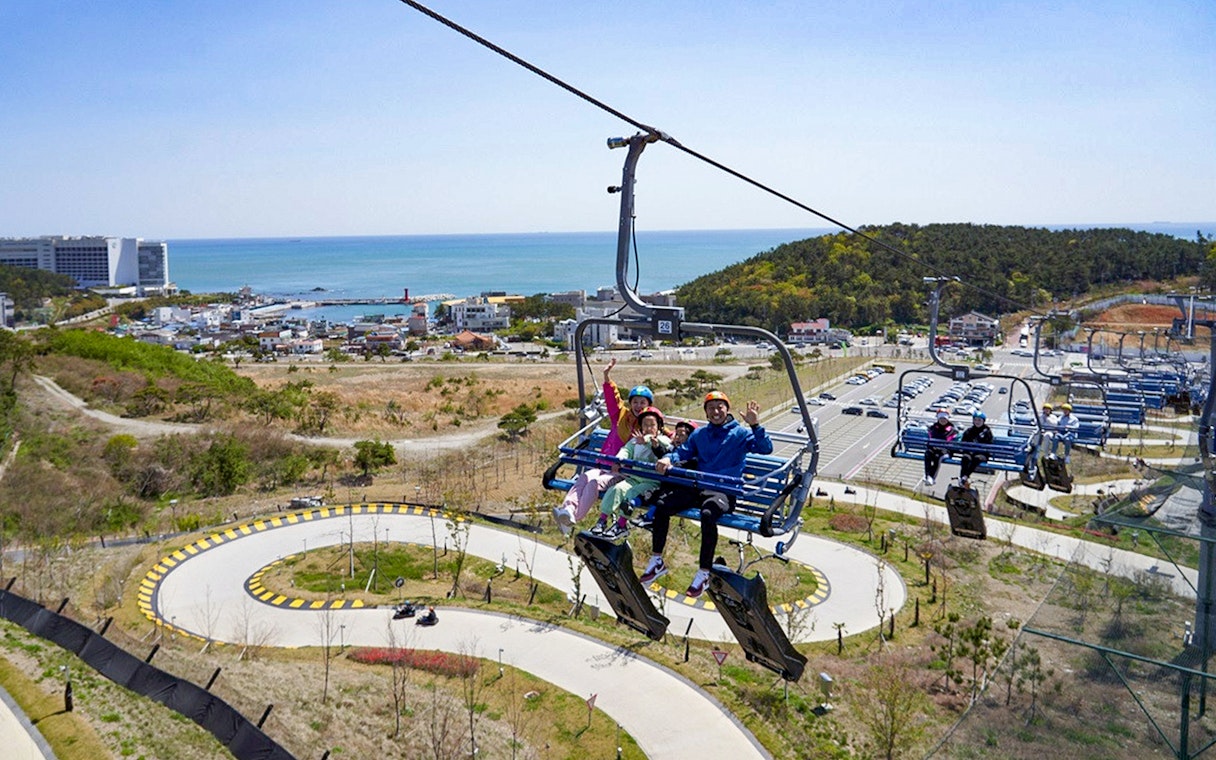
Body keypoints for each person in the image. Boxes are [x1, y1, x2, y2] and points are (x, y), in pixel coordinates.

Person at [638, 391, 773, 599]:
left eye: (720, 407)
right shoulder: (700, 435)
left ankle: (704, 571)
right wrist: (667, 459)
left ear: (727, 409)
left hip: (724, 491)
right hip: (699, 487)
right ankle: (657, 560)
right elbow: (682, 452)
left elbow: (766, 449)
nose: (716, 412)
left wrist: (755, 426)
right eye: (711, 408)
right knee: (663, 504)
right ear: (706, 412)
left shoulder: (740, 434)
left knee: (708, 514)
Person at [552, 359, 655, 535]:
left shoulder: (649, 424)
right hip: (605, 465)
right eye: (635, 402)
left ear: (648, 405)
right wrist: (607, 377)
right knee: (584, 477)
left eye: (642, 403)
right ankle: (568, 510)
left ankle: (574, 518)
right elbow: (612, 400)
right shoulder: (621, 416)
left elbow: (664, 437)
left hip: (624, 472)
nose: (638, 406)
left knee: (595, 483)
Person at [592, 407, 672, 539]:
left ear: (659, 427)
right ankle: (602, 520)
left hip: (651, 482)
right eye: (645, 425)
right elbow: (626, 450)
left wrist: (647, 441)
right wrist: (618, 461)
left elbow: (662, 447)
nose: (648, 428)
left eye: (652, 425)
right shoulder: (635, 441)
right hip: (634, 478)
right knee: (616, 489)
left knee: (631, 494)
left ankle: (621, 524)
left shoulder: (663, 441)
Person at [632, 419, 695, 529]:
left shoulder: (692, 455)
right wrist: (656, 447)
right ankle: (631, 504)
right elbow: (664, 455)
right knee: (650, 493)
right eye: (677, 434)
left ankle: (649, 517)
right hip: (667, 485)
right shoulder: (673, 450)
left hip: (680, 488)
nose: (677, 438)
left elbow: (684, 464)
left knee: (661, 498)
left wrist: (673, 466)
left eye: (682, 435)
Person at [958, 411, 993, 487]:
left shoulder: (987, 431)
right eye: (975, 420)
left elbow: (989, 444)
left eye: (979, 420)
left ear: (983, 421)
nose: (977, 422)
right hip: (970, 452)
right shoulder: (969, 431)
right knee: (965, 458)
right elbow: (963, 442)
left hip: (981, 453)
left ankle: (965, 476)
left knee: (977, 459)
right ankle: (962, 477)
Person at [922, 410, 957, 486]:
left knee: (938, 457)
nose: (943, 420)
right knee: (928, 454)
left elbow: (950, 443)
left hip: (945, 451)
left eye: (944, 419)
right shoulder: (933, 428)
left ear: (947, 419)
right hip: (934, 449)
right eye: (941, 419)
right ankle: (927, 475)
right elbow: (930, 440)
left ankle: (932, 477)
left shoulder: (951, 430)